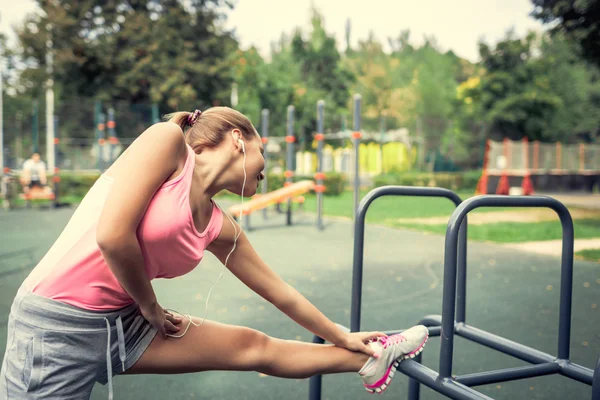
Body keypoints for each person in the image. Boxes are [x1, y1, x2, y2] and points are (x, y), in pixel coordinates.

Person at [0, 107, 428, 399]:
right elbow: (112, 236)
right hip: (56, 324)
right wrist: (149, 305)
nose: (268, 168)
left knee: (252, 346)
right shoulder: (167, 143)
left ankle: (371, 356)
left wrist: (341, 334)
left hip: (126, 322)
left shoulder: (221, 227)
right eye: (266, 152)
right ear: (239, 139)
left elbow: (280, 292)